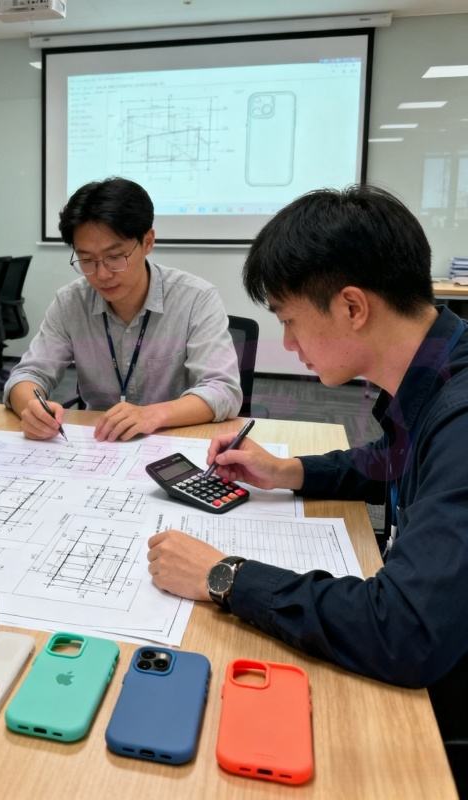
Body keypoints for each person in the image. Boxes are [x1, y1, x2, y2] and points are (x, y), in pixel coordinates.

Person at [146, 185, 468, 783]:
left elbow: (404, 631)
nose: (289, 344)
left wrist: (226, 576)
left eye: (289, 320)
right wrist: (289, 471)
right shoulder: (439, 370)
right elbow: (395, 459)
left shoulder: (461, 417)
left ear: (352, 307)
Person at [4, 177, 242, 442]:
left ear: (148, 242)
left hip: (173, 440)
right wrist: (32, 407)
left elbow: (224, 390)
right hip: (100, 443)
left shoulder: (195, 298)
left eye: (115, 257)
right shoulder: (71, 302)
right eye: (87, 260)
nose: (102, 274)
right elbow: (28, 374)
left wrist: (153, 415)